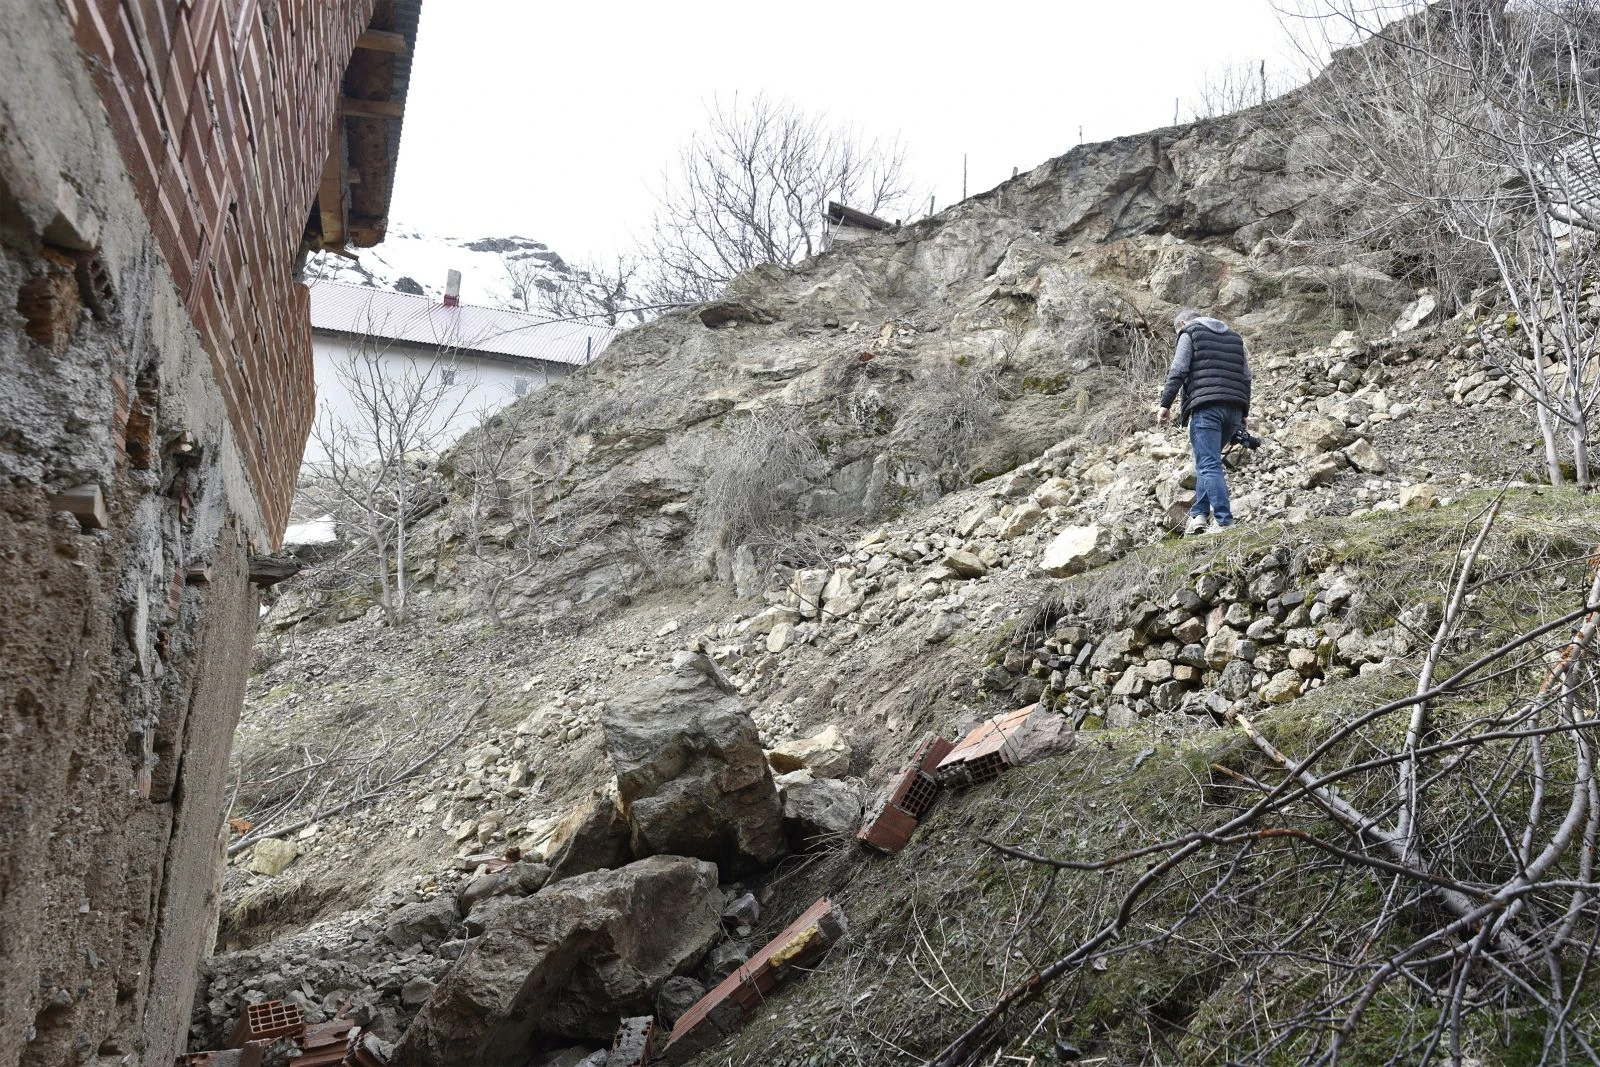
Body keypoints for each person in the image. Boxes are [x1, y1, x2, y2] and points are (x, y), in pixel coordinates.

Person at [1156, 307, 1252, 536]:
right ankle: (1198, 515)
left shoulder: (1188, 332)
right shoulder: (1234, 337)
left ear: (1181, 324)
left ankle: (1224, 522)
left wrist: (1165, 404)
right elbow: (1246, 376)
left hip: (1207, 408)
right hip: (1235, 409)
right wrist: (1244, 412)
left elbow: (1179, 369)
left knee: (1209, 464)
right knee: (1206, 461)